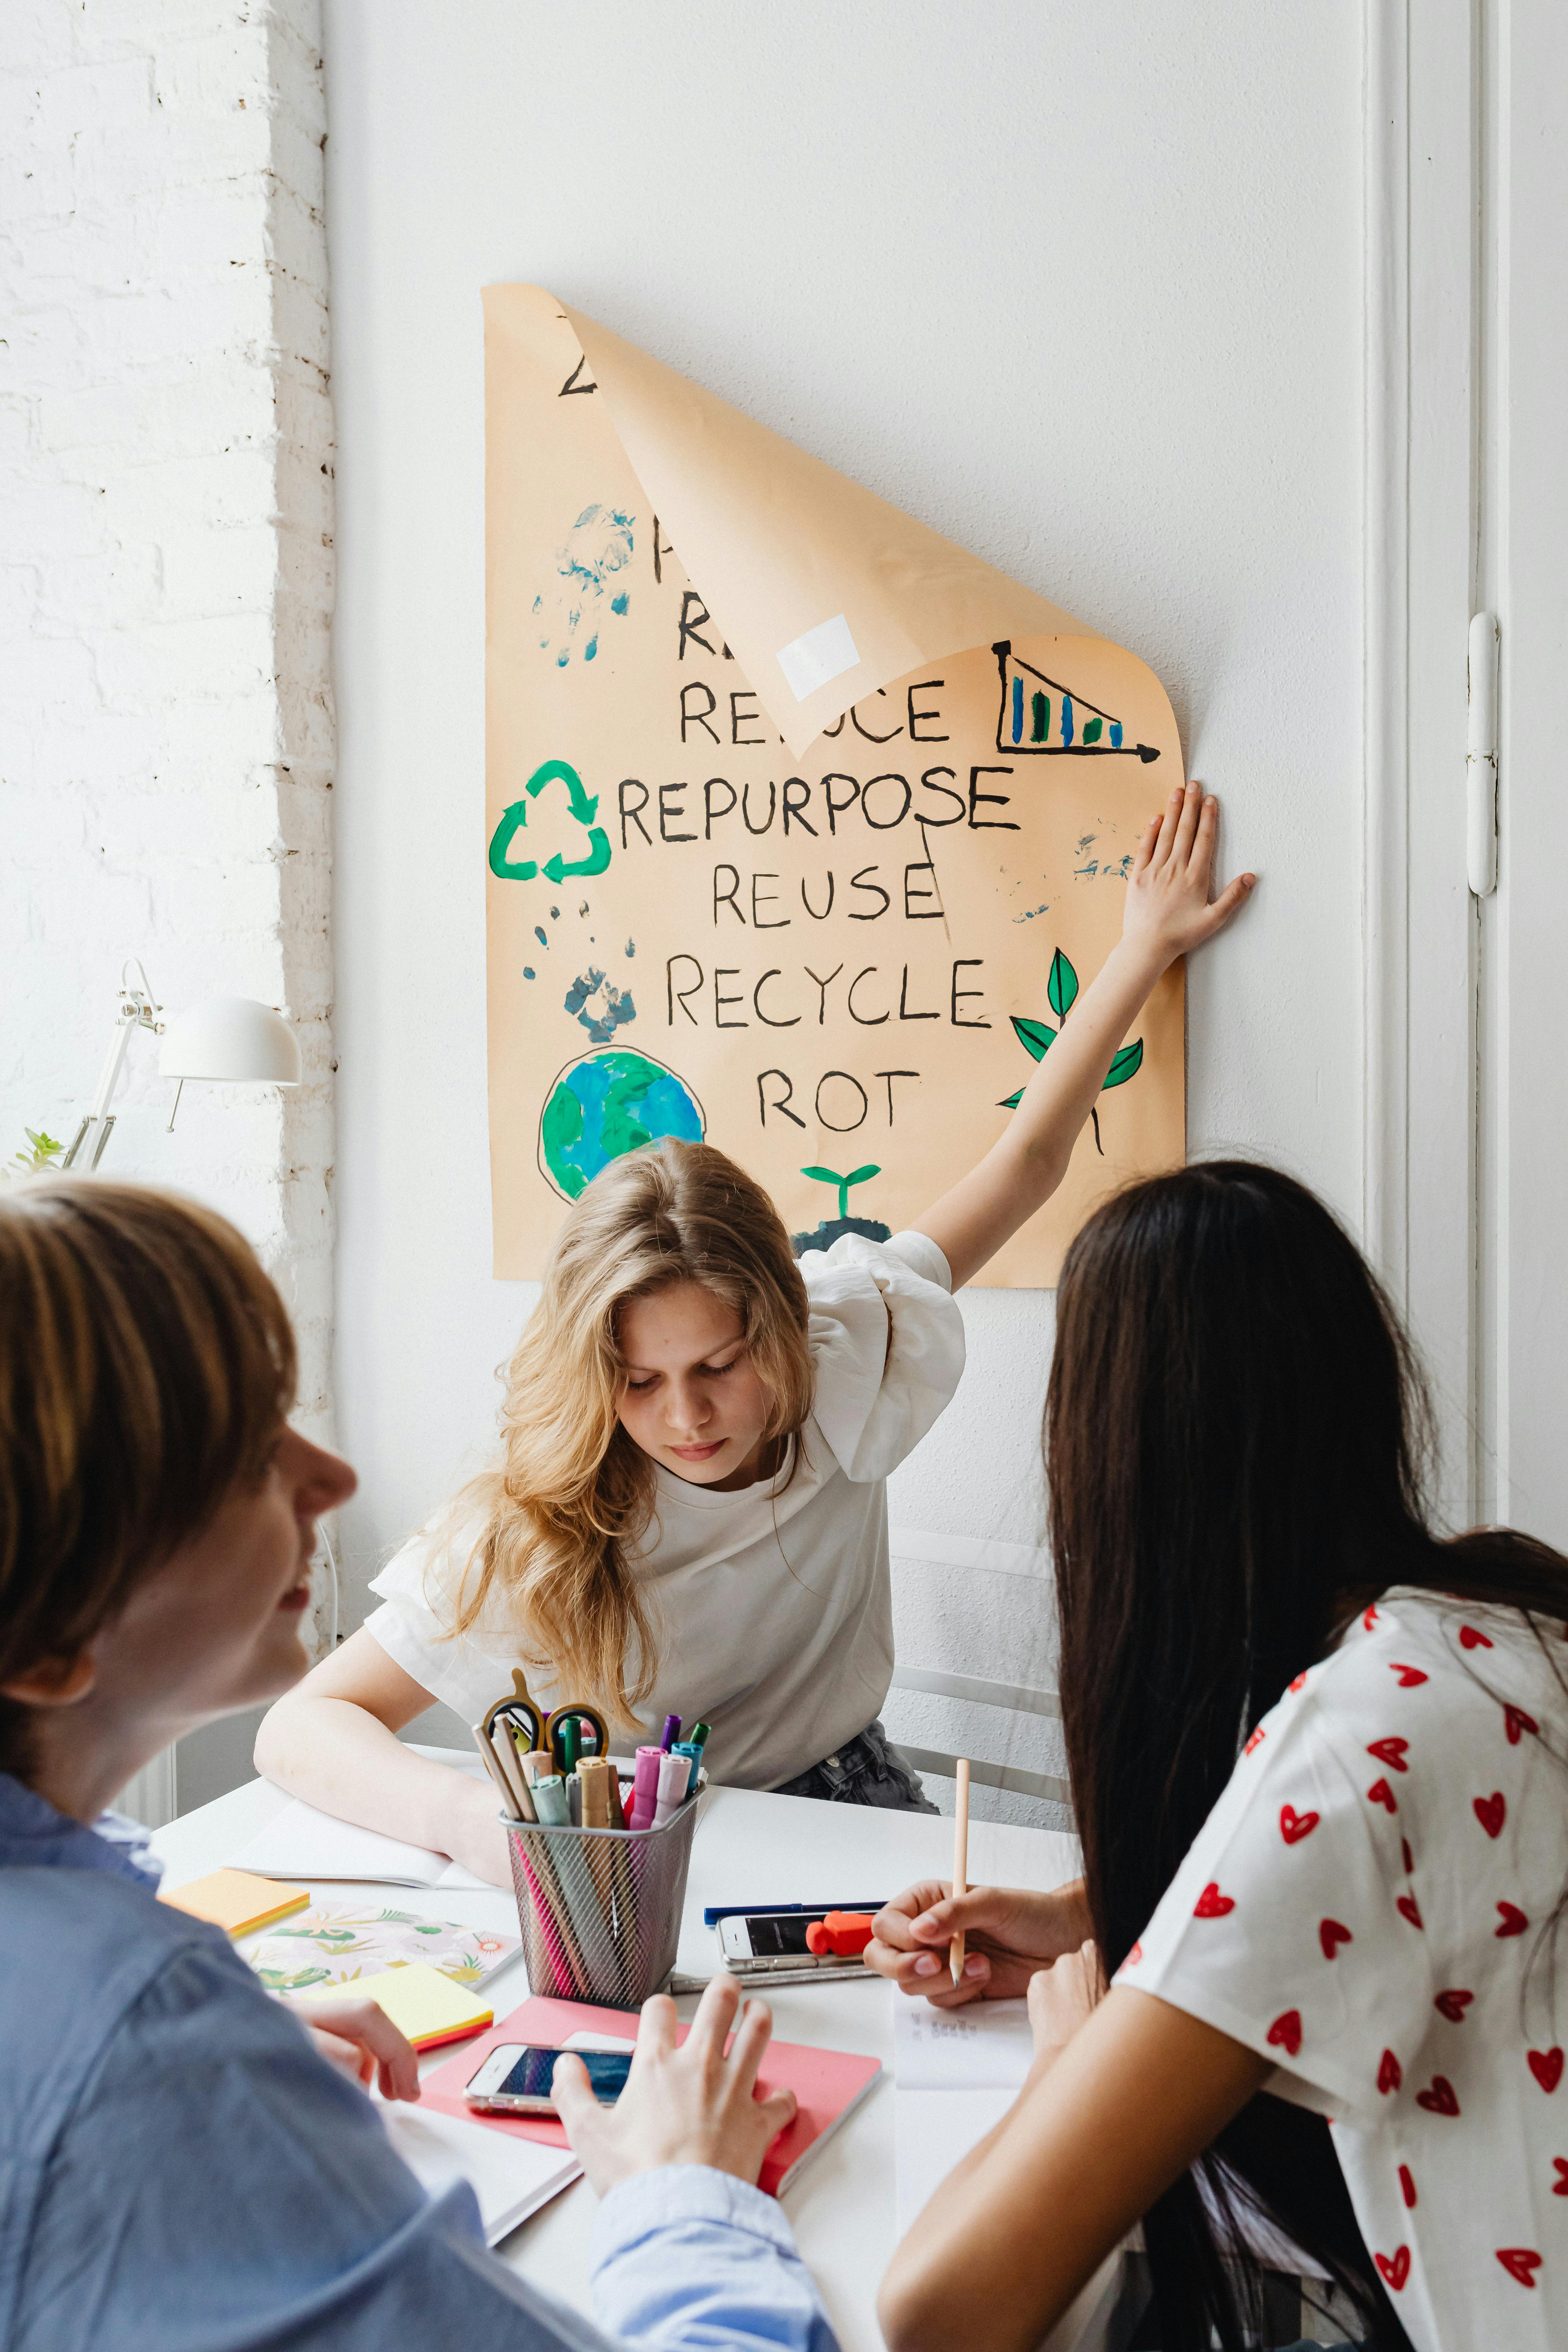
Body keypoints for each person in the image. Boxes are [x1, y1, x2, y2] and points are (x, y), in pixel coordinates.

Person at [257, 780, 1255, 1885]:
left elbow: (1023, 1164)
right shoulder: (535, 1519)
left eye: (719, 1366)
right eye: (637, 1381)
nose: (684, 1416)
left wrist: (1139, 950)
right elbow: (299, 1726)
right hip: (634, 1851)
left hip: (849, 1802)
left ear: (781, 1328)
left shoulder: (850, 1341)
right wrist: (459, 1815)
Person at [0, 1177, 833, 2351]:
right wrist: (689, 2191)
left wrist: (208, 2054)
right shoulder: (135, 2035)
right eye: (246, 1453)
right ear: (44, 1644)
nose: (333, 1480)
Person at [865, 1161, 1568, 2352]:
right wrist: (1097, 1915)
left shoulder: (1357, 1751)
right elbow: (1410, 1898)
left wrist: (1069, 2060)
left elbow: (941, 2311)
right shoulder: (1504, 1606)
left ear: (1113, 1452)